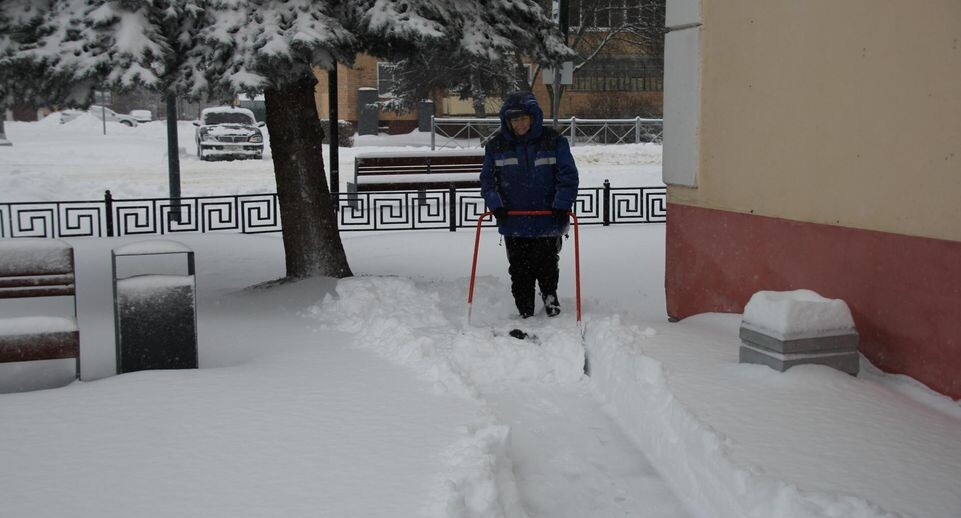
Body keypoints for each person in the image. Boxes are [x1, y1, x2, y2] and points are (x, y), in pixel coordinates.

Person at [479, 91, 579, 319]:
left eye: (524, 118)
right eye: (515, 120)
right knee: (519, 268)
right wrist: (496, 205)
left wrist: (562, 204)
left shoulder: (553, 141)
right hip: (514, 219)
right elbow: (488, 180)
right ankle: (524, 308)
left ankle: (550, 297)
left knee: (546, 264)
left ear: (533, 118)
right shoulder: (497, 146)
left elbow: (568, 176)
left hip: (548, 218)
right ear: (507, 122)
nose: (520, 124)